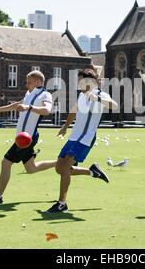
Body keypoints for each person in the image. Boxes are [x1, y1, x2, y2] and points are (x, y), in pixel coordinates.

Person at [45, 66, 118, 213]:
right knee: (59, 168)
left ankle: (61, 203)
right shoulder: (82, 96)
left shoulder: (100, 94)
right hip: (74, 137)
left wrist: (97, 98)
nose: (79, 85)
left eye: (81, 82)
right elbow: (74, 110)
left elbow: (114, 106)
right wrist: (65, 126)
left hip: (86, 138)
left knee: (65, 168)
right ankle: (92, 172)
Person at [0, 70, 56, 206]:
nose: (27, 85)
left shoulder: (45, 94)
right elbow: (16, 105)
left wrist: (29, 107)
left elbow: (47, 110)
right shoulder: (29, 94)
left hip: (27, 138)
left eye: (29, 82)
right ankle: (61, 163)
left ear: (38, 82)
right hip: (21, 137)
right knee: (31, 168)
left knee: (6, 162)